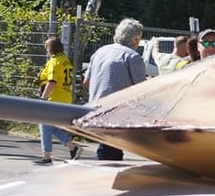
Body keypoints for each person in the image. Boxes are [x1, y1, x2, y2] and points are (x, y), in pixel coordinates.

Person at [84, 17, 147, 160]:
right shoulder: (133, 57)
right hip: (118, 112)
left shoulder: (100, 51)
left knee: (106, 147)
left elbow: (86, 81)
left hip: (95, 107)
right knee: (112, 152)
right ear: (136, 39)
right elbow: (142, 89)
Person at [33, 37, 83, 165]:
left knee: (44, 124)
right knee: (52, 127)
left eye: (47, 48)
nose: (46, 51)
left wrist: (43, 98)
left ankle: (46, 156)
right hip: (65, 97)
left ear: (51, 49)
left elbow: (52, 82)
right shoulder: (65, 60)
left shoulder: (54, 62)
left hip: (54, 97)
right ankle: (73, 148)